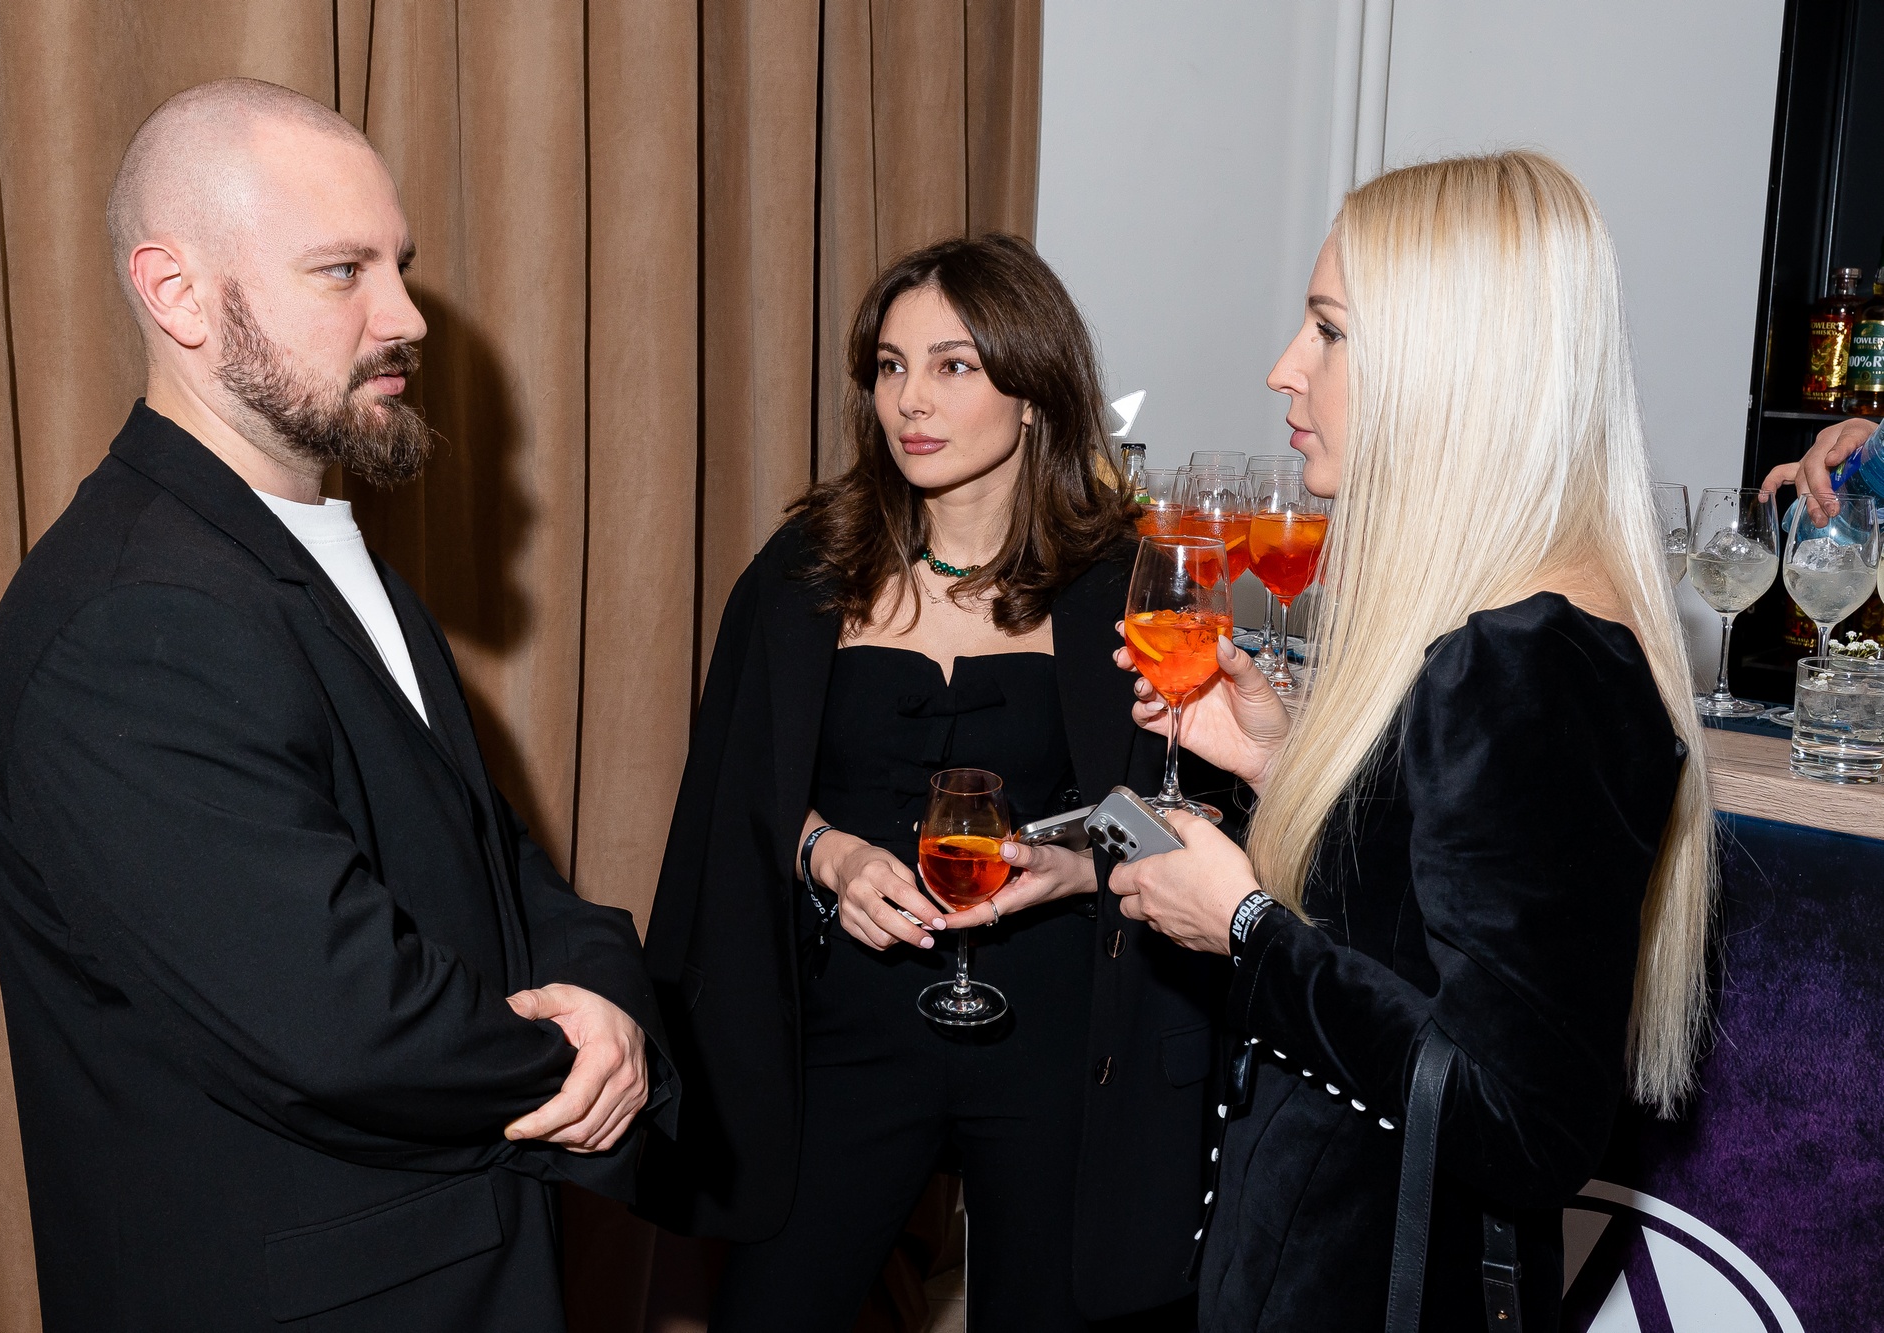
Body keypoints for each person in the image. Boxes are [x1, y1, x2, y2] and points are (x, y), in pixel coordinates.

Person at [0, 79, 674, 1333]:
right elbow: (343, 1021)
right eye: (342, 271)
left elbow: (491, 861)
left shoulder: (313, 553)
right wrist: (586, 1066)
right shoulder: (131, 621)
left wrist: (610, 1000)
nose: (406, 317)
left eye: (399, 266)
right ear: (177, 293)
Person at [1104, 152, 1716, 1330]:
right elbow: (1429, 929)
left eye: (1328, 330)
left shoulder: (1525, 663)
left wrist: (1242, 928)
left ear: (1451, 366)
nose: (1284, 367)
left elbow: (1517, 1122)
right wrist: (1291, 766)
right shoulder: (1513, 635)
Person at [638, 233, 1224, 1331]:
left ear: (1034, 392)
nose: (909, 399)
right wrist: (828, 854)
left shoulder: (1121, 588)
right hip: (846, 1019)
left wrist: (1078, 868)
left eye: (953, 365)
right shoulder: (804, 572)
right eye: (889, 365)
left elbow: (1196, 814)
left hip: (1062, 1025)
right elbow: (731, 793)